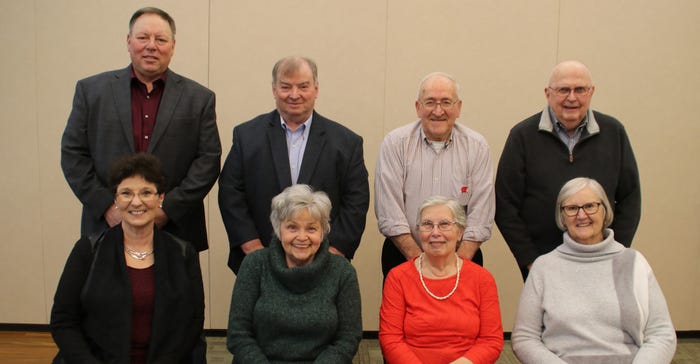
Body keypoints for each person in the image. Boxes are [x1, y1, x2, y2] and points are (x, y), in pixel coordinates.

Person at [60, 7, 221, 253]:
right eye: (143, 37)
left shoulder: (199, 99)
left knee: (175, 293)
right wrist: (108, 207)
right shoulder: (92, 92)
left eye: (161, 39)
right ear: (128, 41)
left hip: (175, 231)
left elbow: (208, 161)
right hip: (106, 228)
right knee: (106, 293)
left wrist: (167, 209)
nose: (151, 46)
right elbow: (73, 154)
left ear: (173, 45)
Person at [218, 56, 369, 274]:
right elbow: (230, 194)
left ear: (316, 90)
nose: (294, 95)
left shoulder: (346, 143)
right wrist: (254, 250)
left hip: (324, 267)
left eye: (303, 86)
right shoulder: (247, 136)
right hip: (259, 261)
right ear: (274, 89)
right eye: (286, 87)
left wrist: (332, 255)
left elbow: (356, 201)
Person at [51, 154, 205, 363]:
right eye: (126, 193)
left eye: (146, 193)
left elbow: (192, 322)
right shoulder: (88, 250)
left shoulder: (183, 253)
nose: (136, 202)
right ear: (115, 198)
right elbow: (63, 320)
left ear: (160, 198)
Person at [495, 60, 641, 280]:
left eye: (580, 89)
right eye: (563, 89)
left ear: (591, 92)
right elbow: (504, 204)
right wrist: (530, 259)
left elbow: (630, 198)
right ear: (548, 93)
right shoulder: (523, 136)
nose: (572, 98)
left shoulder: (614, 133)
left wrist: (614, 253)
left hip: (601, 263)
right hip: (543, 265)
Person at [511, 177, 676, 363]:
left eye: (590, 206)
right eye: (571, 208)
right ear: (562, 217)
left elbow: (661, 333)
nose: (581, 215)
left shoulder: (635, 263)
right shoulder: (544, 267)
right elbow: (524, 338)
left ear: (605, 211)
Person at [375, 72, 495, 279]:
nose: (438, 111)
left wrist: (453, 267)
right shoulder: (395, 144)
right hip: (403, 256)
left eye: (446, 102)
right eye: (430, 102)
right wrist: (420, 264)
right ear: (418, 107)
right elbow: (389, 211)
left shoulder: (477, 147)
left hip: (463, 258)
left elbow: (481, 214)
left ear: (458, 108)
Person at [227, 184, 362, 363]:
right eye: (292, 227)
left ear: (322, 232)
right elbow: (238, 334)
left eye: (311, 229)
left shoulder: (342, 272)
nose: (301, 237)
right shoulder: (255, 265)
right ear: (278, 229)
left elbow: (348, 340)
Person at [379, 195, 503, 364]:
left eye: (444, 224)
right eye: (427, 224)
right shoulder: (398, 277)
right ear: (418, 231)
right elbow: (390, 339)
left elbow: (491, 341)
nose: (435, 232)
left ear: (460, 232)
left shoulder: (482, 279)